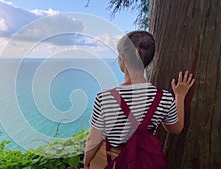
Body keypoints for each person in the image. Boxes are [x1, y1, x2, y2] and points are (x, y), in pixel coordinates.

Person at [83, 30, 195, 169]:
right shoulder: (164, 98)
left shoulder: (105, 98)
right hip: (144, 161)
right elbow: (176, 129)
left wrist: (86, 162)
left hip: (111, 160)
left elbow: (93, 139)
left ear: (122, 58)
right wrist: (180, 96)